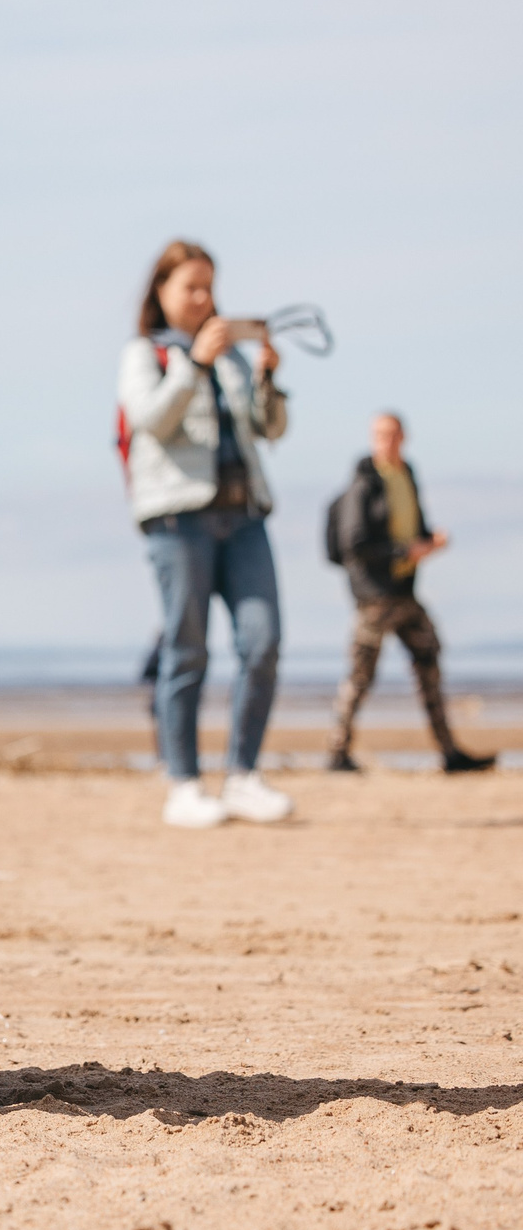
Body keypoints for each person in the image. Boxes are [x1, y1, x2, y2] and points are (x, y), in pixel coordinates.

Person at [117, 240, 292, 829]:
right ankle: (184, 784)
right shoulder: (143, 353)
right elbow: (151, 419)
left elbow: (270, 429)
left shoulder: (232, 355)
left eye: (208, 287)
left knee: (262, 641)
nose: (202, 298)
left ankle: (243, 776)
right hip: (177, 519)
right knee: (187, 648)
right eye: (190, 286)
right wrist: (193, 364)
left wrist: (268, 378)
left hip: (245, 517)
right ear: (161, 291)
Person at [327, 412, 494, 774]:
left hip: (404, 592)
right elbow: (354, 544)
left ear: (403, 437)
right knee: (360, 673)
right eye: (379, 435)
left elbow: (409, 528)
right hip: (375, 597)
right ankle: (337, 752)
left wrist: (428, 541)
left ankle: (449, 752)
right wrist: (406, 552)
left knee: (429, 658)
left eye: (391, 434)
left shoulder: (406, 475)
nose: (385, 442)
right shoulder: (363, 483)